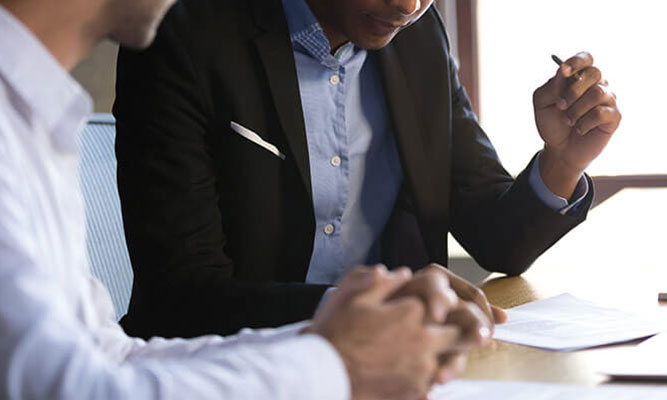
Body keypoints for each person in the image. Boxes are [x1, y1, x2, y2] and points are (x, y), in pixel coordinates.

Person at [0, 0, 490, 398]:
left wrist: (351, 334)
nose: (408, 6)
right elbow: (64, 387)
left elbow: (110, 356)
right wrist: (336, 359)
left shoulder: (36, 118)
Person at [113, 0, 621, 339]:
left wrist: (562, 161)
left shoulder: (418, 39)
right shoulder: (184, 36)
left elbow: (496, 241)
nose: (407, 5)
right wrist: (373, 306)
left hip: (392, 372)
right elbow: (181, 295)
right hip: (233, 368)